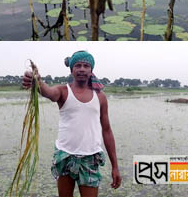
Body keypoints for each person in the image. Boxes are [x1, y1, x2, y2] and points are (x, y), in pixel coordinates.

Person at [22, 51, 121, 197]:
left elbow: (106, 130)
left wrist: (115, 166)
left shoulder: (100, 97)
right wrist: (37, 82)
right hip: (65, 156)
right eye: (78, 65)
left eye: (86, 66)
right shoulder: (63, 91)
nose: (82, 69)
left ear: (91, 70)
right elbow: (49, 92)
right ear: (72, 70)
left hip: (90, 157)